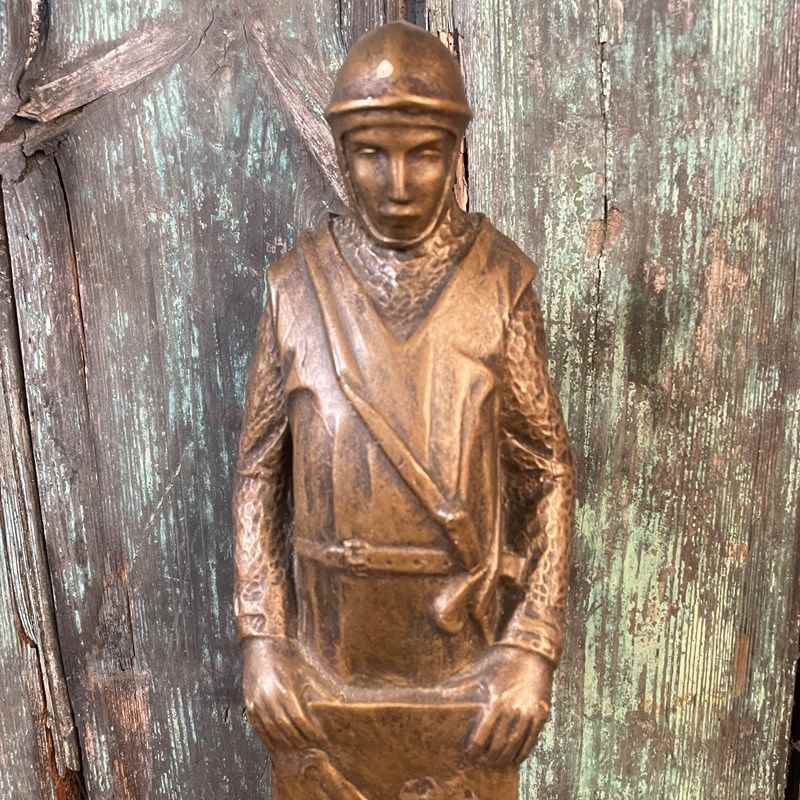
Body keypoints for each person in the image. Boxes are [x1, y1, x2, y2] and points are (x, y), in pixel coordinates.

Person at [232, 21, 575, 799]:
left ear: (455, 152)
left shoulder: (499, 286)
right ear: (341, 152)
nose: (397, 183)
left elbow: (548, 472)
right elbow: (258, 475)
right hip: (323, 684)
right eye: (371, 153)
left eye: (423, 153)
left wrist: (531, 645)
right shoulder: (295, 291)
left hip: (467, 683)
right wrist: (262, 638)